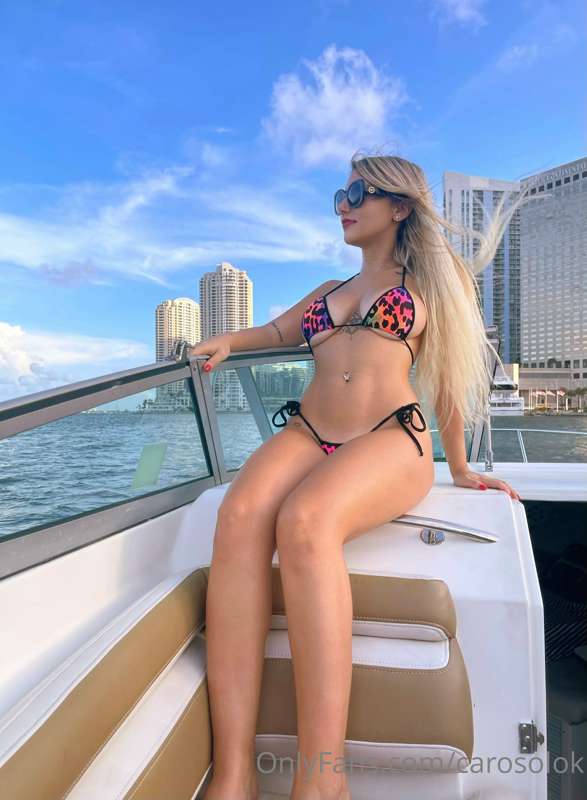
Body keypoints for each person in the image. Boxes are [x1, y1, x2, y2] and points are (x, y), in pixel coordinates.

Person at [189, 152, 525, 800]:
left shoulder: (435, 280)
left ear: (398, 206)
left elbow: (449, 375)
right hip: (309, 431)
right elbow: (276, 330)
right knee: (238, 517)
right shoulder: (326, 291)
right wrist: (228, 342)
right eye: (338, 195)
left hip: (389, 435)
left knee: (305, 523)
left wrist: (459, 467)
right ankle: (234, 773)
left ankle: (322, 778)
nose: (342, 204)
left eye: (356, 193)